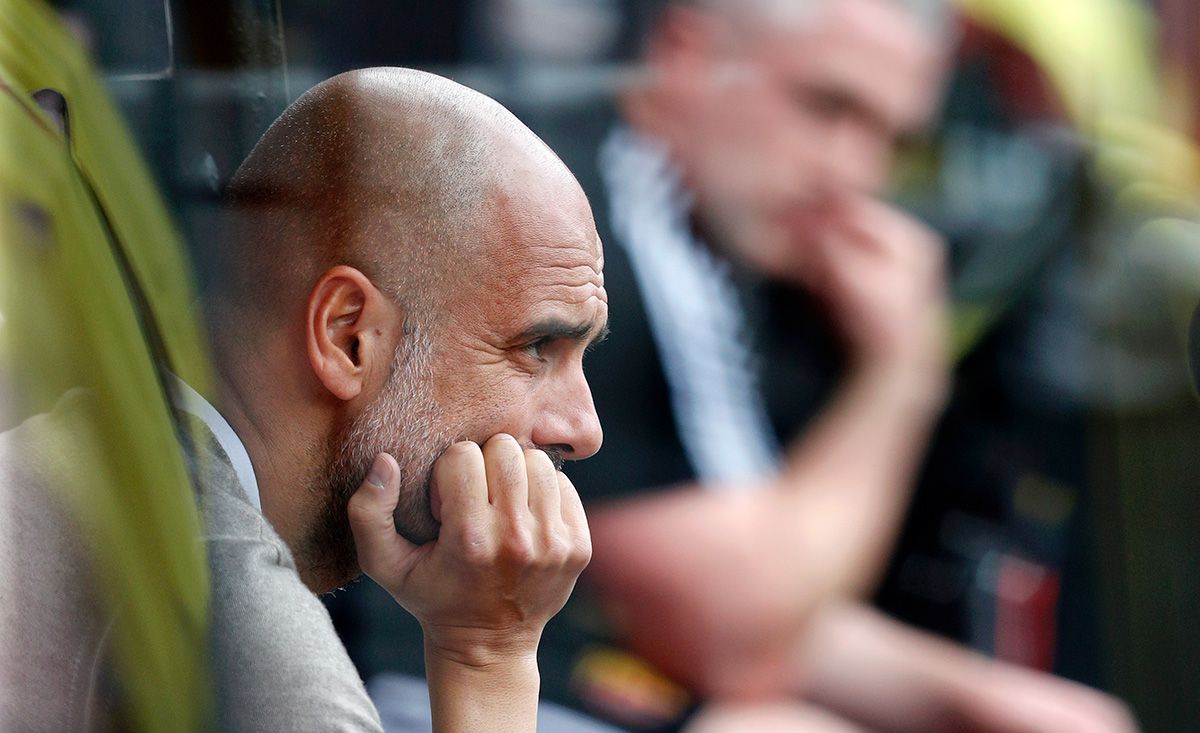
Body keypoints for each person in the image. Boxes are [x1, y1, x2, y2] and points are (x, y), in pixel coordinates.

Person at [544, 0, 1140, 731]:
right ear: (686, 55)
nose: (853, 174)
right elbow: (734, 636)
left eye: (892, 139)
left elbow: (784, 607)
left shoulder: (749, 254)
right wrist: (900, 375)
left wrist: (967, 696)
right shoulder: (576, 228)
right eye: (827, 107)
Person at [192, 67, 610, 731]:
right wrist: (486, 653)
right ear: (349, 336)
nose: (583, 429)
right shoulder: (248, 641)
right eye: (537, 347)